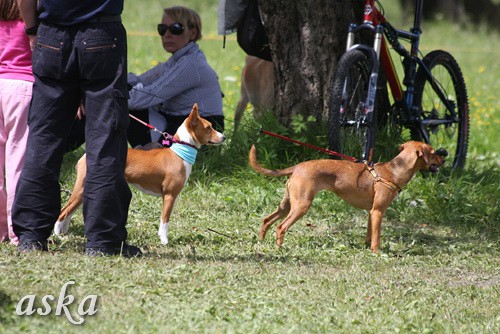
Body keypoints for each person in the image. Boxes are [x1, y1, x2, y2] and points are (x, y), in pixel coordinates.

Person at [12, 0, 141, 257]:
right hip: (102, 34)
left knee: (43, 139)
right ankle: (103, 242)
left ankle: (31, 236)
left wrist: (32, 30)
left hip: (51, 34)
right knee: (105, 141)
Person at [127, 5, 224, 147]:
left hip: (199, 140)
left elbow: (147, 97)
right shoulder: (177, 61)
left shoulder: (191, 64)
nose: (167, 34)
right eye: (162, 29)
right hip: (178, 128)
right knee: (117, 92)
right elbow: (139, 80)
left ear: (192, 33)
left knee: (117, 101)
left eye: (176, 28)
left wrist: (102, 97)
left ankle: (104, 157)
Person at [0, 0, 33, 246]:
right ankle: (17, 230)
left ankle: (1, 228)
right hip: (23, 88)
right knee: (17, 164)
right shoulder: (30, 16)